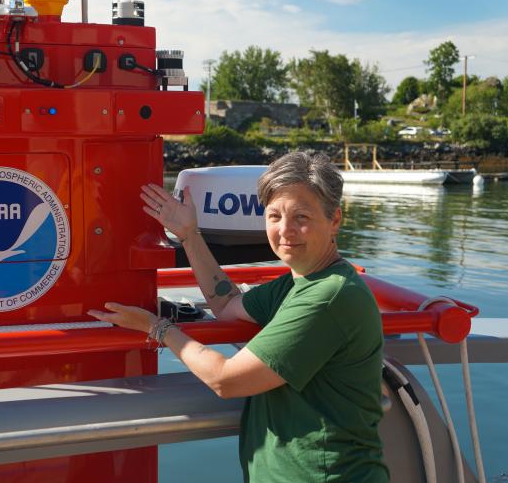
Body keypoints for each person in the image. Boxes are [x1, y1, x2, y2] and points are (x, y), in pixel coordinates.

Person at [88, 152, 389, 482]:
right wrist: (189, 234)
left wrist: (157, 328)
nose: (285, 230)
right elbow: (226, 302)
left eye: (301, 216)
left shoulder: (329, 296)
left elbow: (227, 380)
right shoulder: (296, 283)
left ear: (335, 220)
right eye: (274, 216)